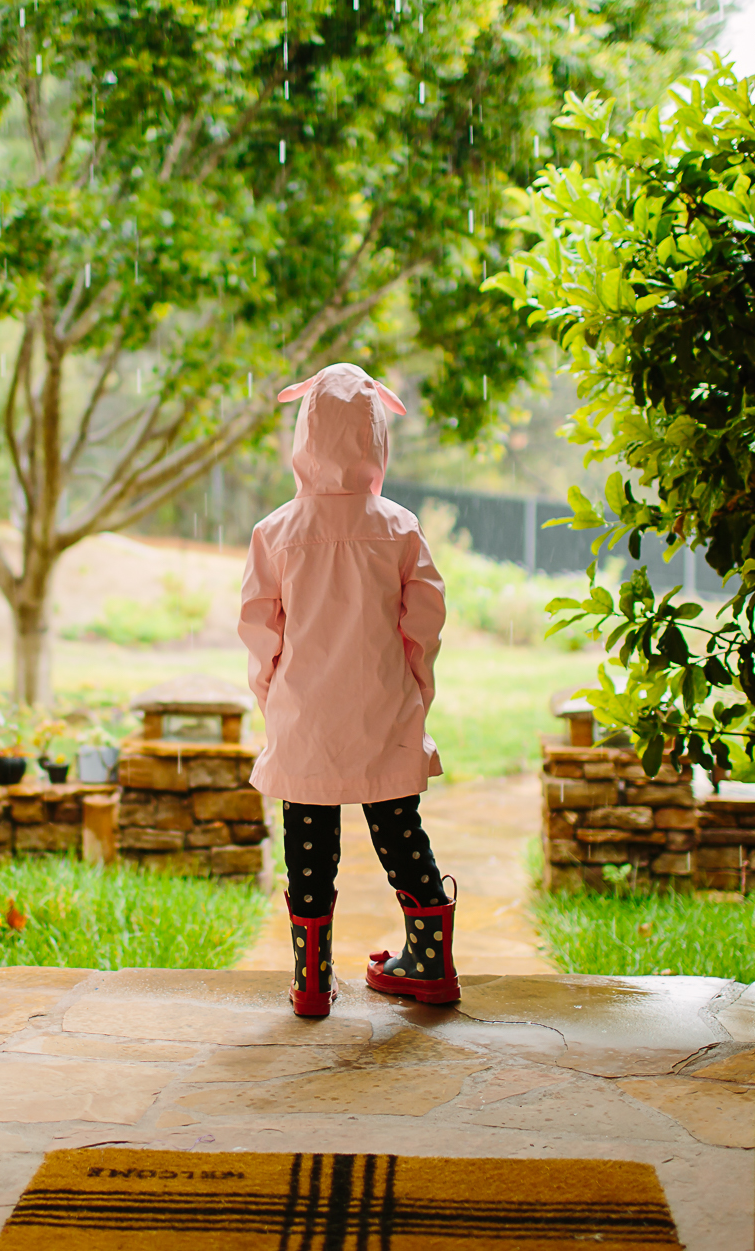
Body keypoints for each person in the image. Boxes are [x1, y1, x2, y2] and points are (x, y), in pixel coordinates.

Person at [238, 362, 458, 1018]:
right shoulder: (398, 526)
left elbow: (259, 628)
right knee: (400, 833)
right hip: (383, 709)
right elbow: (424, 621)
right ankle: (429, 962)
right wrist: (416, 685)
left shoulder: (276, 531)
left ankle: (311, 977)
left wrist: (271, 692)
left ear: (304, 435)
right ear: (375, 438)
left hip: (305, 715)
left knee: (309, 844)